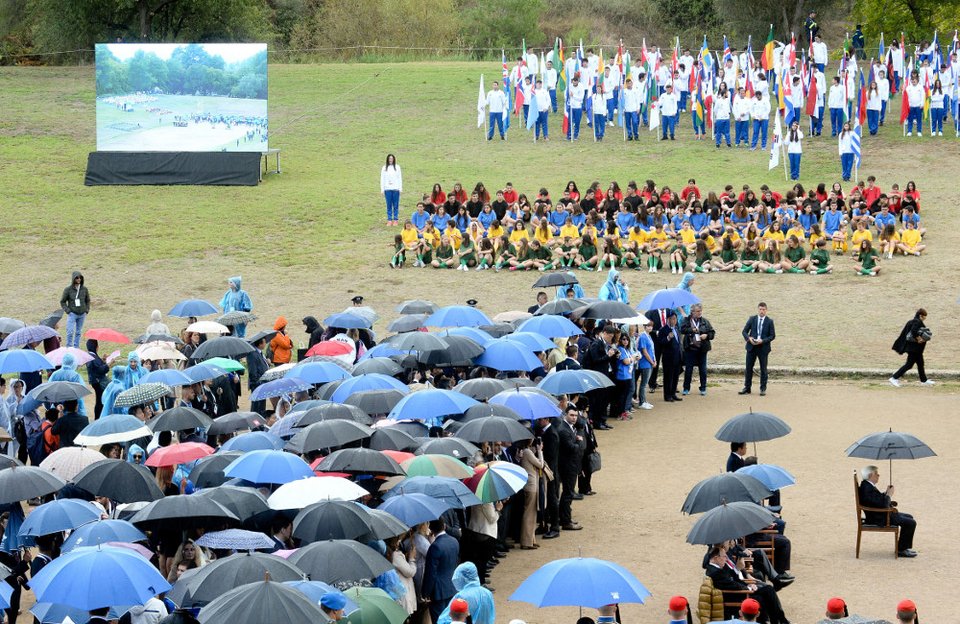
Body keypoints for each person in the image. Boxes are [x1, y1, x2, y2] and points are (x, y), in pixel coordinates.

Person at [858, 465, 918, 557]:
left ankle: (902, 547)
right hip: (879, 518)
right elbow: (883, 504)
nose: (878, 475)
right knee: (911, 522)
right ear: (870, 475)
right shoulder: (867, 487)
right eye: (876, 474)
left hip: (880, 514)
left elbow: (876, 500)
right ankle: (901, 550)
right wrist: (889, 495)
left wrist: (886, 492)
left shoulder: (867, 485)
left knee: (909, 517)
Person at [423, 517, 460, 624]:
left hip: (438, 591)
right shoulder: (454, 541)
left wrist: (426, 592)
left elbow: (431, 573)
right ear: (444, 526)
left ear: (431, 529)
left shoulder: (435, 547)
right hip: (452, 587)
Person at [557, 406, 585, 531]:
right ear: (565, 415)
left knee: (568, 493)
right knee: (568, 494)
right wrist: (578, 441)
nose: (574, 418)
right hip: (568, 467)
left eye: (575, 415)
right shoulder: (563, 430)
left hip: (571, 465)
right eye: (571, 415)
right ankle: (565, 521)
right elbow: (571, 448)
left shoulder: (569, 428)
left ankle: (565, 517)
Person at [890, 308, 933, 386]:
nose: (925, 318)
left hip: (914, 348)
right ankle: (894, 378)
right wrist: (919, 339)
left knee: (920, 363)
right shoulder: (917, 321)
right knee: (909, 364)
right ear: (921, 315)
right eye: (924, 316)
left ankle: (924, 380)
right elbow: (914, 331)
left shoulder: (911, 321)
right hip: (914, 349)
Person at [740, 302, 775, 396]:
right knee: (748, 368)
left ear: (766, 310)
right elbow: (744, 331)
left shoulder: (769, 321)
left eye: (763, 309)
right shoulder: (752, 319)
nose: (762, 311)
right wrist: (749, 338)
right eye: (760, 309)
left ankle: (763, 388)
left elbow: (772, 336)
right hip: (751, 347)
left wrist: (763, 341)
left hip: (763, 348)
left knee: (763, 369)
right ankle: (747, 388)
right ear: (758, 309)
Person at [680, 304, 715, 397]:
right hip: (690, 349)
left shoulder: (705, 321)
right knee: (688, 370)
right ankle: (686, 388)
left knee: (703, 370)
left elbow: (712, 333)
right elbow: (682, 330)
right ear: (692, 312)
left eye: (700, 311)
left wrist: (706, 336)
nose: (700, 313)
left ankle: (703, 388)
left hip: (702, 349)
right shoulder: (686, 320)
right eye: (698, 311)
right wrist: (692, 329)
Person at [59, 270, 90, 349]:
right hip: (72, 314)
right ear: (73, 279)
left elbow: (88, 300)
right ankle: (69, 347)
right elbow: (62, 301)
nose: (79, 279)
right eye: (77, 278)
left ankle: (76, 347)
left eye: (80, 278)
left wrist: (86, 310)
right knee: (70, 331)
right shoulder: (68, 289)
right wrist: (68, 311)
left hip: (82, 314)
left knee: (78, 332)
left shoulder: (84, 289)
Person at [657, 311, 682, 402]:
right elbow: (660, 342)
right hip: (668, 358)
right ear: (668, 319)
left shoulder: (676, 329)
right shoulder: (663, 330)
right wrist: (668, 338)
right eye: (672, 319)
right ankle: (667, 395)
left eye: (675, 319)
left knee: (675, 376)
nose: (674, 321)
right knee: (668, 377)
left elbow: (679, 343)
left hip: (677, 357)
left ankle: (673, 393)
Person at [381, 153, 402, 226]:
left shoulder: (397, 167)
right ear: (387, 159)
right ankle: (389, 220)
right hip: (387, 189)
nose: (391, 160)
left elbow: (399, 178)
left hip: (395, 189)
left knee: (396, 205)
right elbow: (382, 179)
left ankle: (395, 219)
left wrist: (400, 188)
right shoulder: (384, 168)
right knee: (389, 205)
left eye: (392, 159)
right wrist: (382, 189)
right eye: (389, 159)